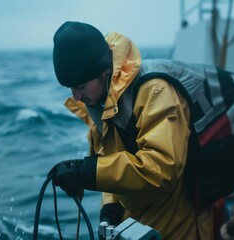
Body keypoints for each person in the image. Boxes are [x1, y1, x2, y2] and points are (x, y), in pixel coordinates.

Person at [48, 21, 213, 239]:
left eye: (80, 86)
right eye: (70, 87)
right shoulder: (100, 105)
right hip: (137, 218)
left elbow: (162, 168)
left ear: (105, 72)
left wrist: (85, 172)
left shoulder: (156, 92)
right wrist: (110, 210)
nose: (75, 96)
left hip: (178, 221)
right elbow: (110, 163)